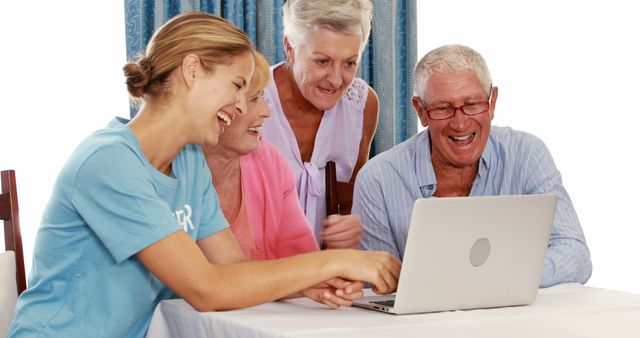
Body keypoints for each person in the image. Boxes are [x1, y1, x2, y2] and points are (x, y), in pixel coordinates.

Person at [8, 12, 400, 337]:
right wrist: (333, 263)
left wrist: (306, 282)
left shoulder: (190, 162)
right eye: (237, 86)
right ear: (192, 71)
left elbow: (230, 267)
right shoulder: (108, 163)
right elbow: (206, 288)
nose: (241, 105)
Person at [353, 44, 592, 288]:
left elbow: (575, 254)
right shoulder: (378, 180)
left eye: (473, 104)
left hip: (514, 318)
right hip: (422, 324)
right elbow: (377, 288)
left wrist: (497, 282)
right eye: (444, 108)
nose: (460, 123)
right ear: (421, 111)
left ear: (492, 102)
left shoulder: (527, 155)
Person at [262, 0, 378, 249]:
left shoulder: (363, 105)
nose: (336, 80)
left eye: (349, 63)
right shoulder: (248, 101)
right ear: (290, 48)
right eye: (322, 61)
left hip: (323, 277)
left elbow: (348, 206)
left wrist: (348, 229)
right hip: (256, 275)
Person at [203, 52, 318, 260]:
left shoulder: (269, 162)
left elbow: (301, 262)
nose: (266, 111)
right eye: (254, 99)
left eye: (264, 98)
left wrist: (331, 280)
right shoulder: (174, 169)